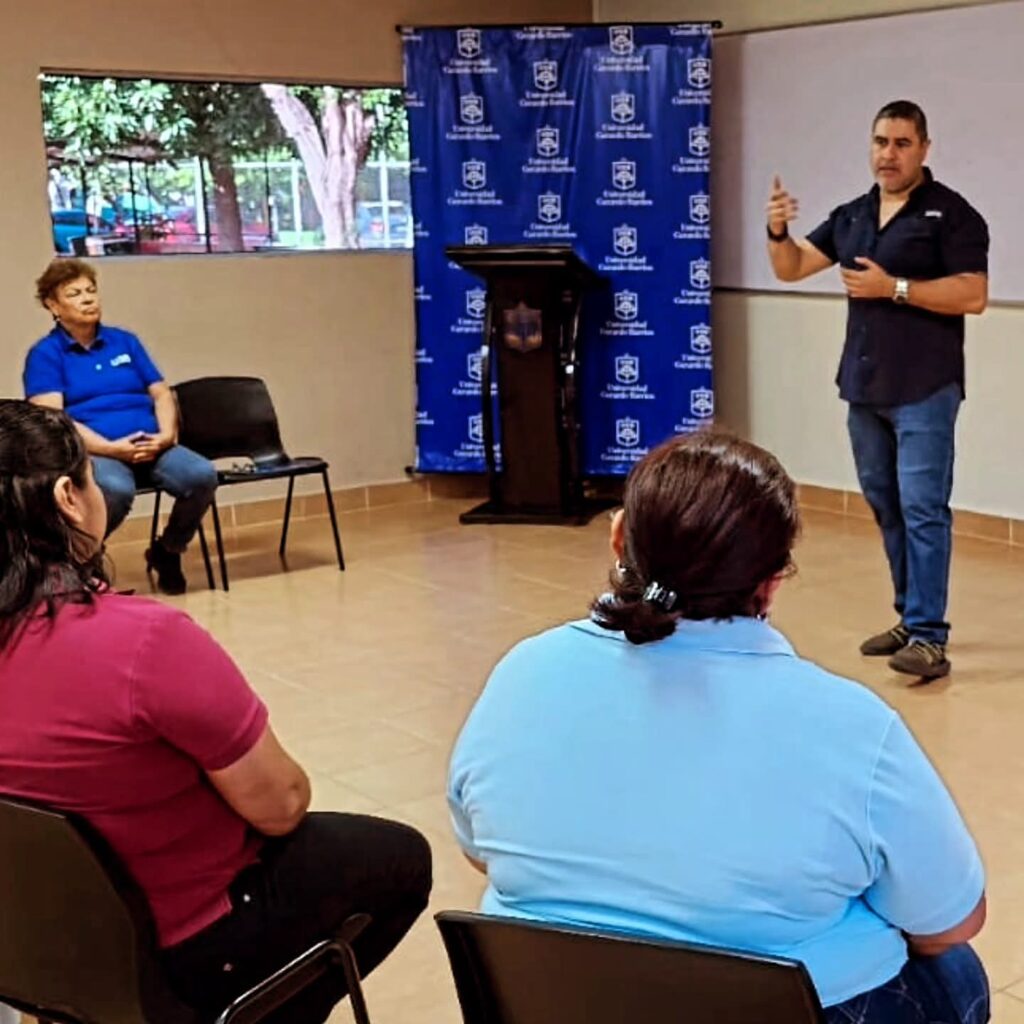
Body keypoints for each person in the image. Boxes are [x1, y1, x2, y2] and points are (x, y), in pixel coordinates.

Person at [448, 432, 989, 1024]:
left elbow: (480, 852)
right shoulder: (851, 726)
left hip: (554, 1002)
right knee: (955, 971)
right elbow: (951, 923)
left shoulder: (521, 674)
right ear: (773, 581)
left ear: (618, 537)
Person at [0, 400, 432, 1024]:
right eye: (93, 475)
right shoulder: (143, 642)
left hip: (37, 944)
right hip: (186, 944)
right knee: (399, 857)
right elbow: (281, 806)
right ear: (69, 496)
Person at [766, 100, 989, 680]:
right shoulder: (854, 215)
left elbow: (972, 294)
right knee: (887, 506)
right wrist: (776, 230)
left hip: (925, 387)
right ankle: (907, 619)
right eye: (880, 142)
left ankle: (930, 638)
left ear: (924, 149)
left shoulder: (953, 215)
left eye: (901, 144)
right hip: (864, 388)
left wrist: (894, 288)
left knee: (922, 509)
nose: (888, 154)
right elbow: (790, 268)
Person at [23, 258, 218, 595]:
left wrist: (166, 436)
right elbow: (53, 419)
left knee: (201, 475)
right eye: (75, 293)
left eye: (91, 290)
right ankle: (84, 561)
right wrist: (109, 448)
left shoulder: (124, 341)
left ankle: (168, 550)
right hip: (96, 451)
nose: (88, 299)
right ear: (53, 305)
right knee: (113, 489)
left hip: (151, 442)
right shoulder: (45, 354)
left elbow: (161, 393)